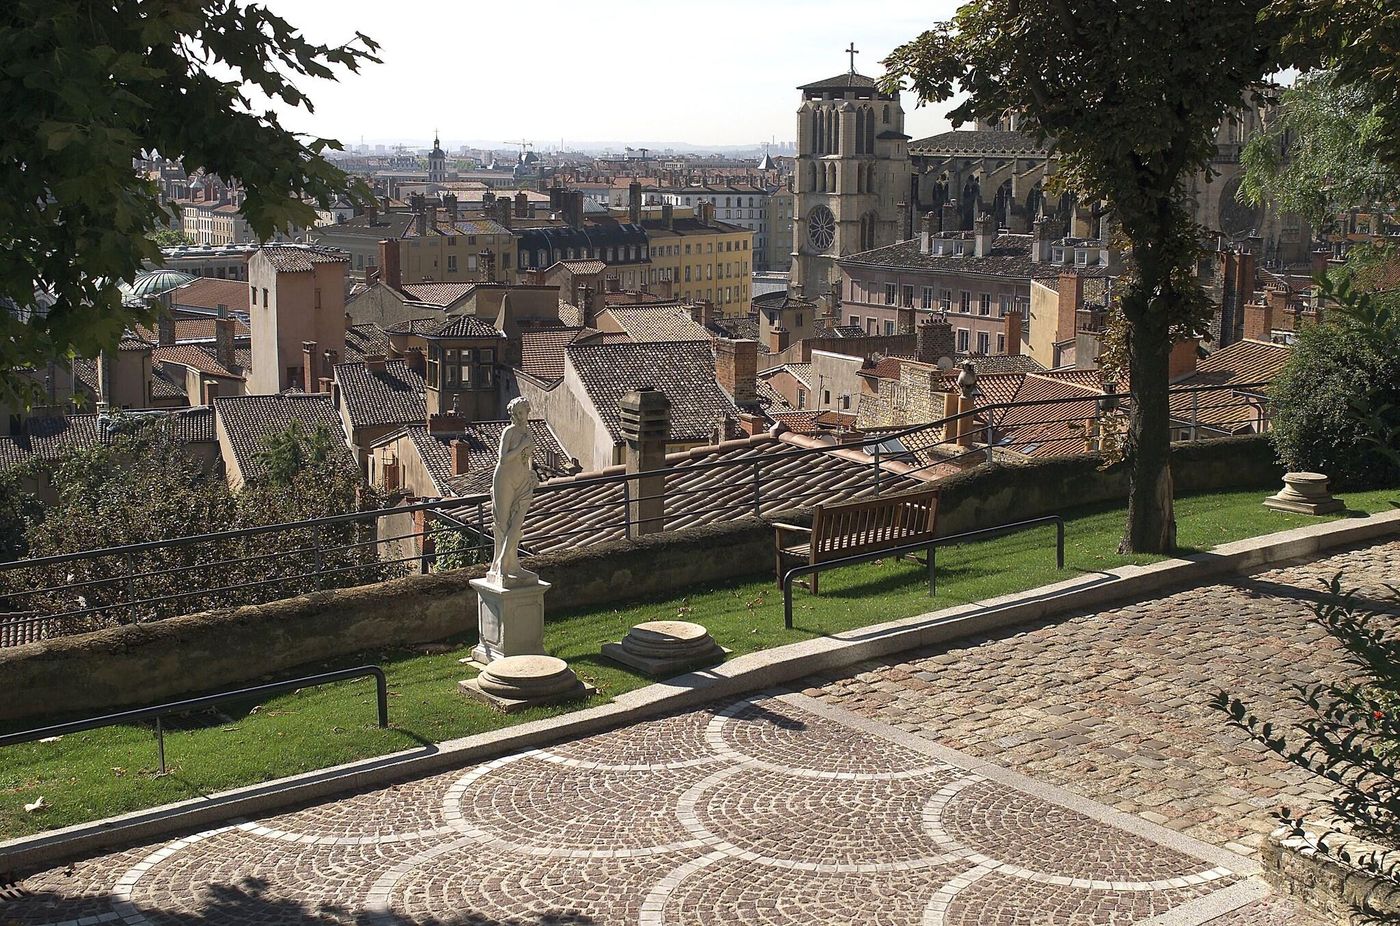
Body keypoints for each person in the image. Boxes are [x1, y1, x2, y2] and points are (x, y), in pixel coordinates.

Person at [489, 396, 539, 586]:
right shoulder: (508, 432)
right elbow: (503, 459)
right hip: (505, 479)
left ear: (527, 412)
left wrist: (532, 473)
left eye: (522, 413)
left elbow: (528, 458)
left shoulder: (528, 432)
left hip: (522, 480)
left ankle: (508, 563)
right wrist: (522, 446)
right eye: (516, 414)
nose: (519, 417)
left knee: (517, 522)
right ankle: (502, 565)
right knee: (503, 523)